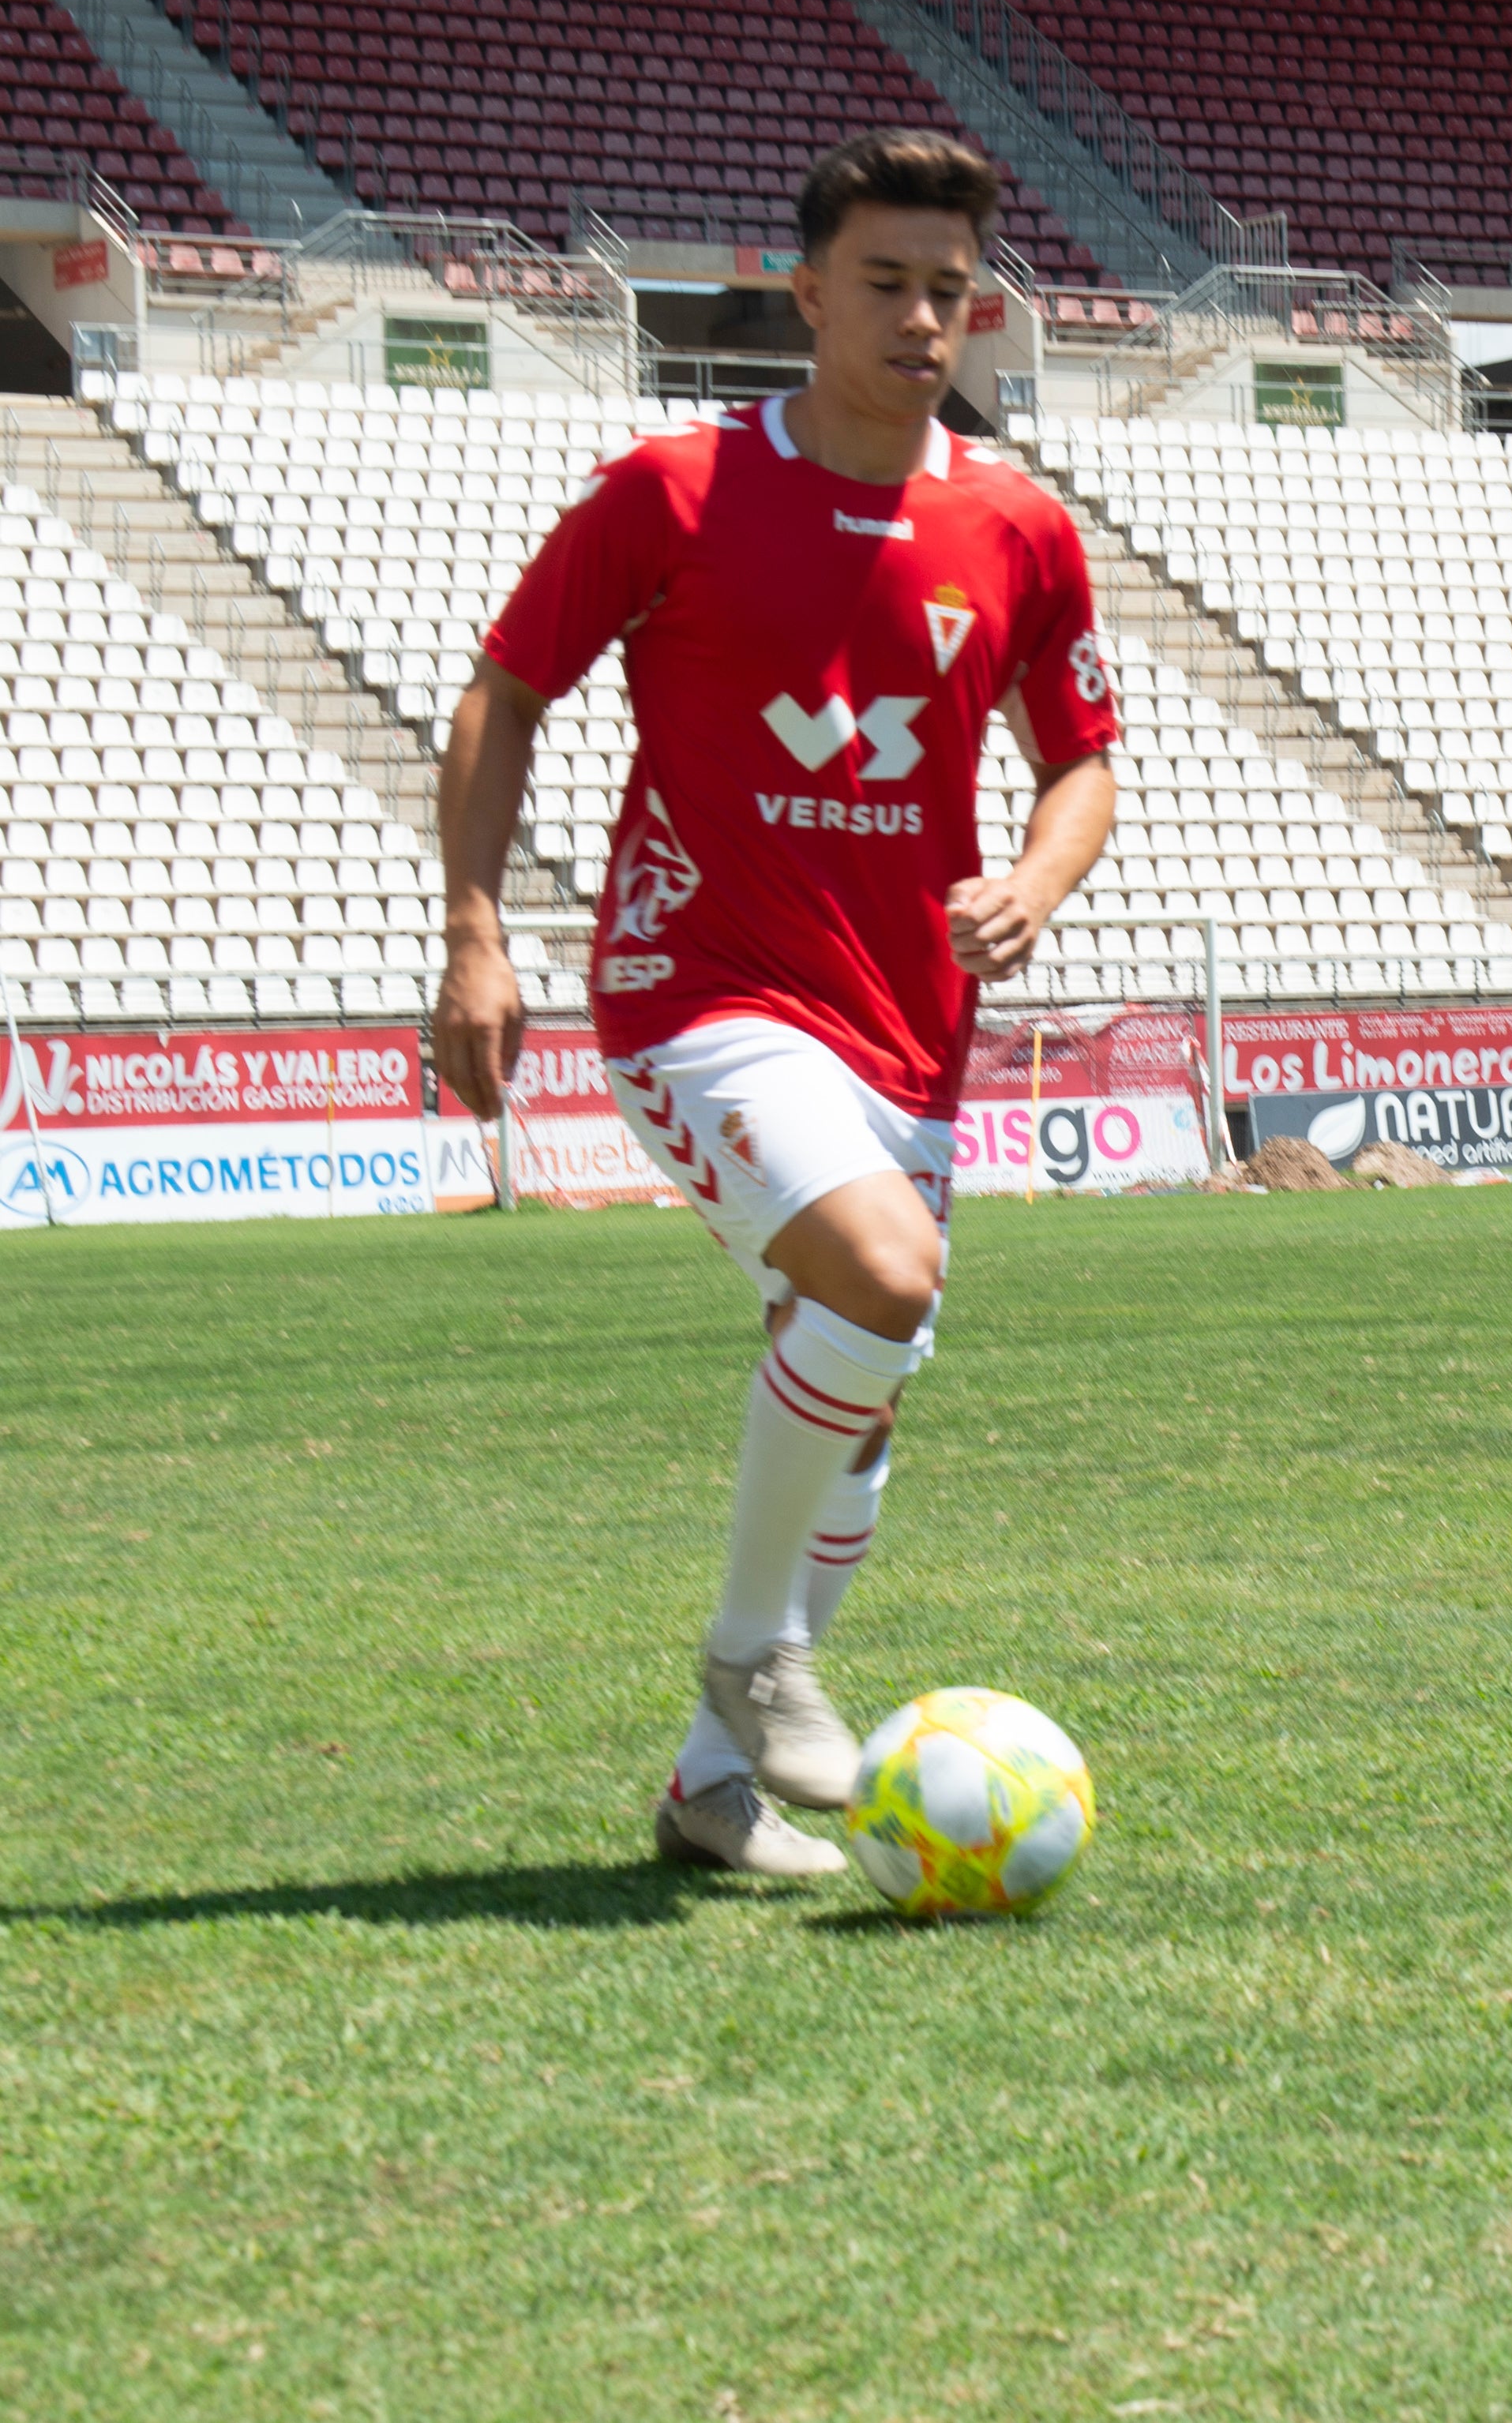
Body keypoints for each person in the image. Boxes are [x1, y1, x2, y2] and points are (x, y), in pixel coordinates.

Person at [434, 128, 1118, 1877]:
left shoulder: (1019, 526)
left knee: (859, 1385)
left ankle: (704, 1788)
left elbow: (1086, 765)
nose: (917, 317)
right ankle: (758, 1661)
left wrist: (1033, 884)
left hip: (908, 1025)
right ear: (805, 293)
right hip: (696, 991)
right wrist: (476, 934)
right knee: (886, 1280)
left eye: (946, 291)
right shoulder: (668, 491)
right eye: (882, 284)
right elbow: (505, 695)